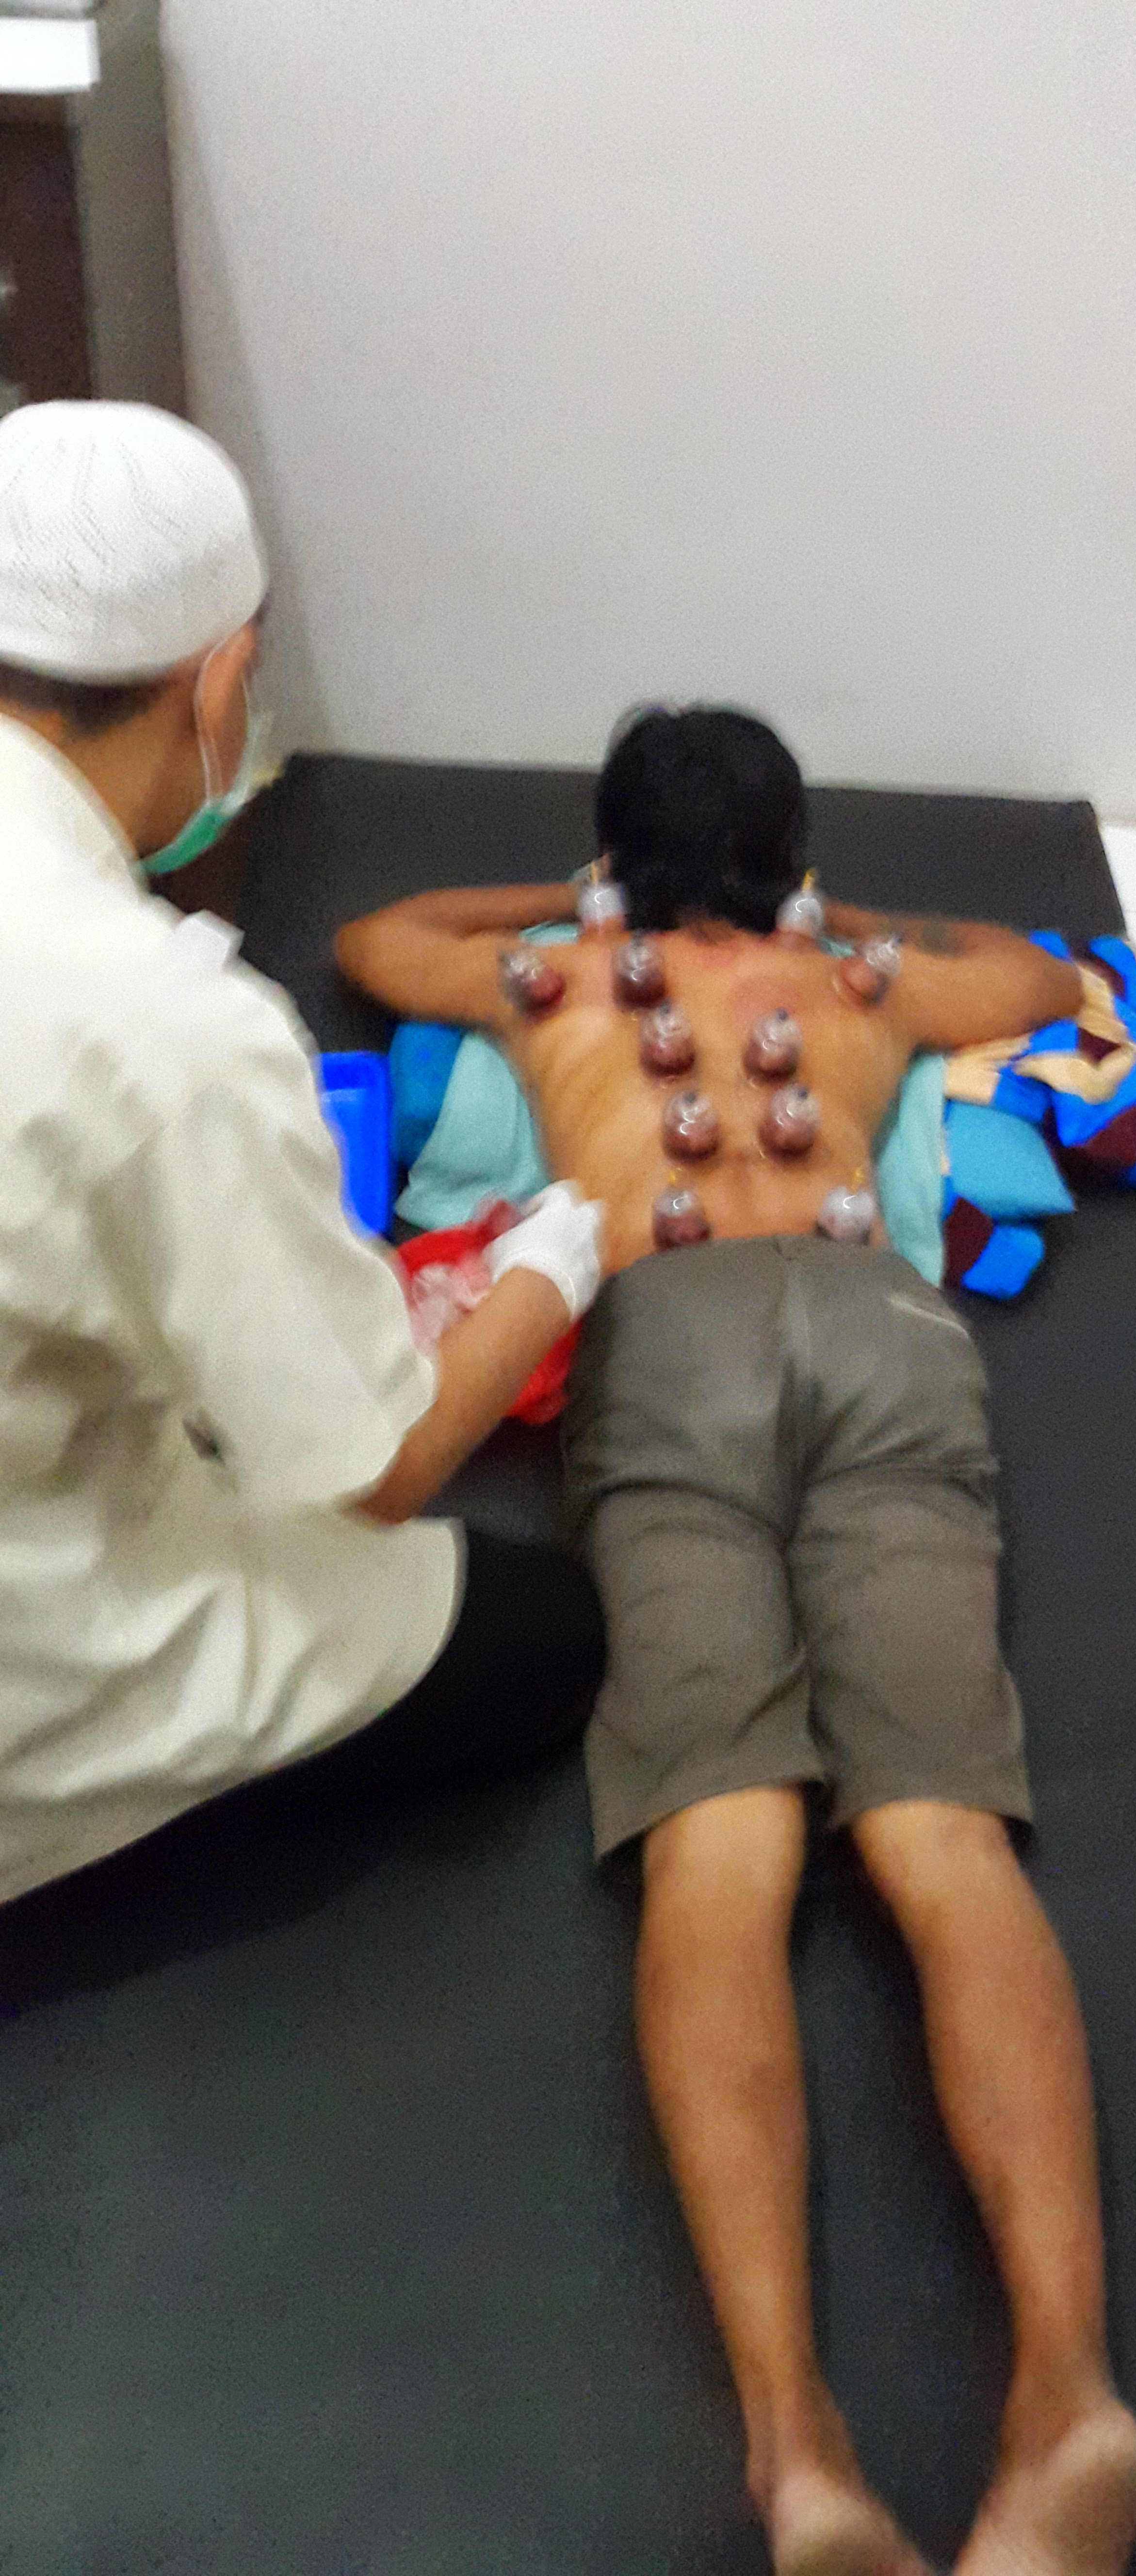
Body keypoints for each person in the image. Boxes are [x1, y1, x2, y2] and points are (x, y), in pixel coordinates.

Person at [336, 705, 1136, 2576]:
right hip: (886, 1327)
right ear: (788, 854)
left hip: (668, 1331)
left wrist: (583, 899)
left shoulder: (556, 976)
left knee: (723, 1844)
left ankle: (801, 2452)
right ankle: (1066, 2392)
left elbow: (376, 938)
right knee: (944, 1835)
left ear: (618, 855)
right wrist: (827, 918)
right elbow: (1042, 973)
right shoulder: (861, 986)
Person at [0, 400, 606, 1910]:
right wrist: (551, 1263)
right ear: (217, 681)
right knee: (555, 1631)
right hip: (41, 1650)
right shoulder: (164, 1026)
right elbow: (373, 1471)